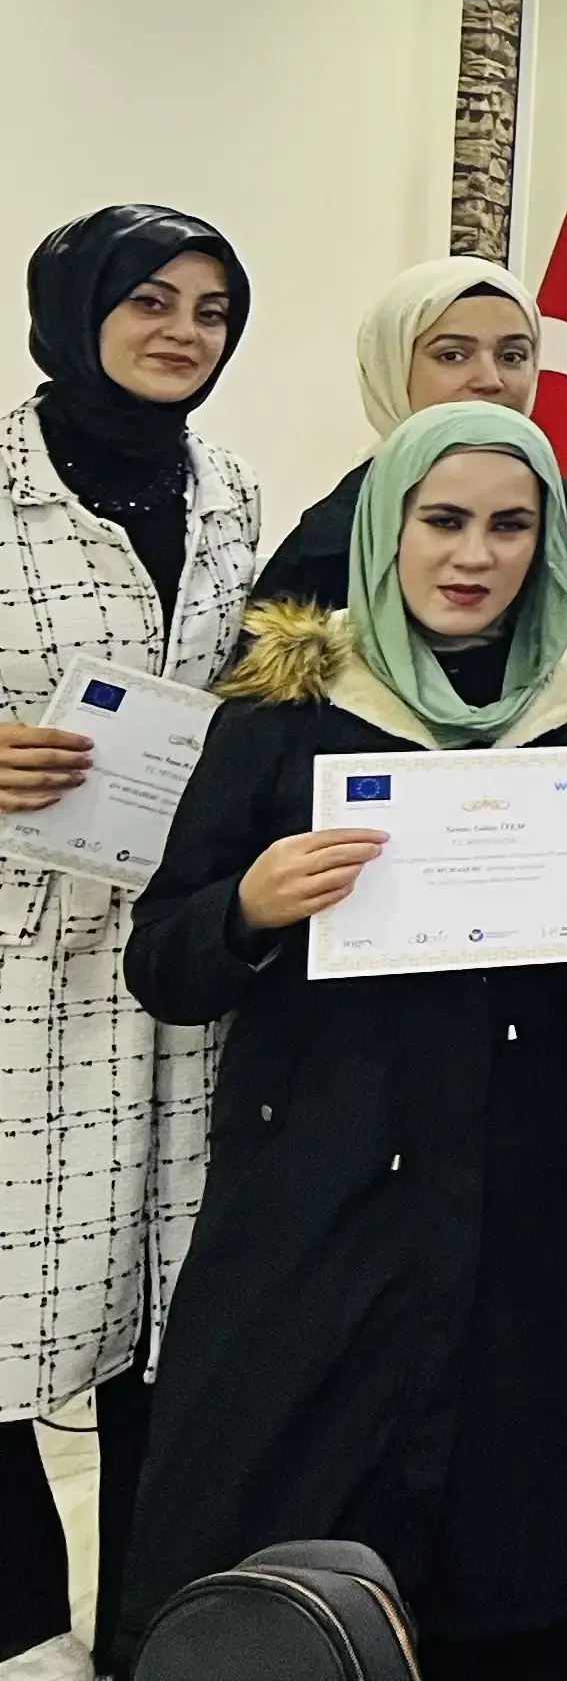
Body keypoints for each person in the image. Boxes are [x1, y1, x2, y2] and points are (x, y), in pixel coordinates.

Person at [120, 402, 567, 1679]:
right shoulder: (281, 715)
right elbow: (165, 960)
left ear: (549, 544)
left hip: (529, 1222)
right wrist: (252, 905)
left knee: (512, 1565)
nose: (472, 555)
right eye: (441, 521)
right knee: (284, 1558)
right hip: (320, 1213)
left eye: (509, 526)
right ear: (385, 529)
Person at [0, 209, 255, 1674]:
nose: (182, 330)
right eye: (151, 299)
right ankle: (19, 1617)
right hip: (22, 958)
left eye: (214, 309)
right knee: (11, 1296)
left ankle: (155, 1621)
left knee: (179, 1305)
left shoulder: (232, 489)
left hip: (184, 963)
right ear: (72, 307)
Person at [257, 256, 549, 609]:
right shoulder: (333, 546)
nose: (490, 380)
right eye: (453, 355)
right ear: (391, 370)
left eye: (513, 356)